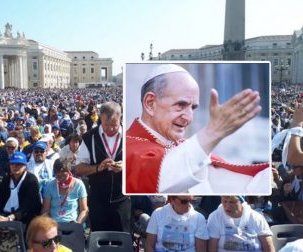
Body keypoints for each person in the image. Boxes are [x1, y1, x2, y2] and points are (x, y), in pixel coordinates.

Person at [126, 64, 270, 194]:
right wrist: (212, 133)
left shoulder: (186, 147)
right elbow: (160, 175)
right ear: (150, 104)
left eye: (193, 107)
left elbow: (231, 181)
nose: (189, 118)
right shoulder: (128, 148)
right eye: (180, 105)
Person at [75, 101, 130, 232]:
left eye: (114, 125)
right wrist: (97, 168)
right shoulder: (89, 137)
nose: (110, 129)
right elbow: (78, 169)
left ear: (121, 118)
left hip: (121, 200)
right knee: (99, 240)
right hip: (98, 200)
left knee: (122, 240)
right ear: (100, 119)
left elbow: (143, 165)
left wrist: (126, 166)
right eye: (106, 125)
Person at [0, 152, 41, 225]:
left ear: (25, 166)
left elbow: (28, 204)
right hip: (6, 214)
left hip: (25, 216)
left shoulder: (31, 180)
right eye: (12, 164)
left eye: (19, 164)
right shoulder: (6, 179)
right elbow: (1, 198)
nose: (15, 166)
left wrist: (10, 218)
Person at [207, 196, 275, 252]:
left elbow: (268, 246)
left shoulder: (256, 217)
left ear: (241, 202)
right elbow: (212, 248)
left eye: (232, 202)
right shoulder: (215, 217)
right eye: (224, 201)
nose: (227, 206)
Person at [42, 159, 88, 224]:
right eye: (58, 175)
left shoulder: (78, 184)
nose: (61, 178)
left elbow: (84, 210)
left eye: (64, 175)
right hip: (55, 224)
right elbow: (45, 211)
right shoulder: (50, 185)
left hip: (72, 223)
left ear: (69, 171)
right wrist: (50, 225)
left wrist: (78, 223)